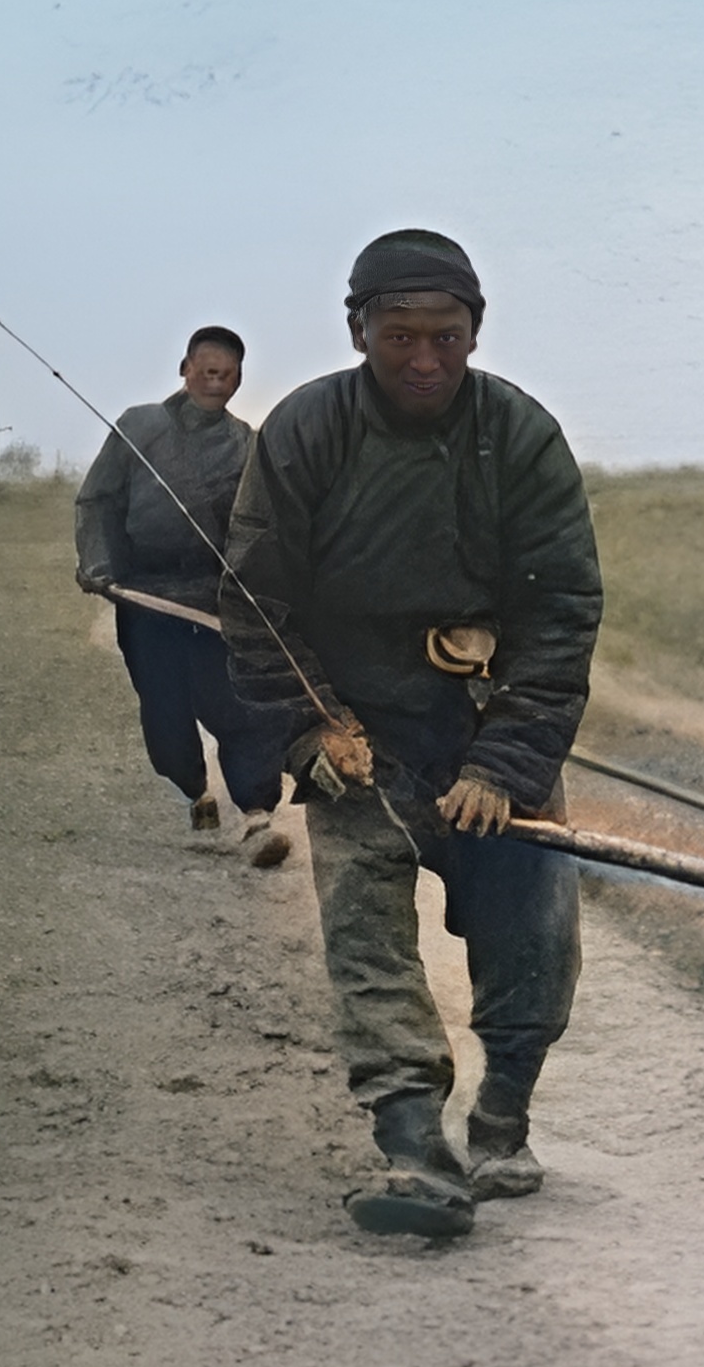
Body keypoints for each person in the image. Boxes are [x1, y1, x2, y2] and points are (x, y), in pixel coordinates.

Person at [222, 231, 604, 1239]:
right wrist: (311, 729)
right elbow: (255, 604)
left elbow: (562, 611)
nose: (425, 359)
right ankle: (412, 1147)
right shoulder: (306, 431)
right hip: (357, 732)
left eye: (446, 336)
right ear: (359, 332)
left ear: (475, 330)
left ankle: (503, 1115)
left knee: (533, 932)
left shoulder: (521, 435)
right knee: (365, 933)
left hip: (485, 722)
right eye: (401, 337)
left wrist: (506, 763)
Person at [74, 327, 288, 864]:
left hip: (216, 601)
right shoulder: (139, 426)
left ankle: (257, 816)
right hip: (145, 597)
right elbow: (99, 500)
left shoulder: (246, 444)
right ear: (185, 369)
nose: (215, 382)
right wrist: (98, 563)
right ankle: (195, 791)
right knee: (165, 713)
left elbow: (262, 526)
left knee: (238, 707)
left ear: (238, 381)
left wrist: (260, 584)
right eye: (206, 370)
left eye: (227, 374)